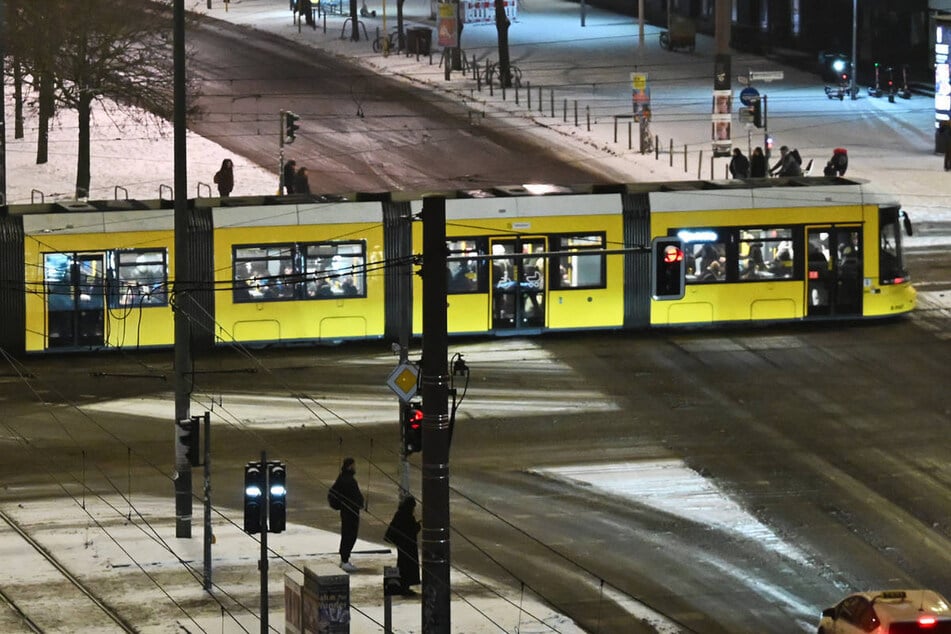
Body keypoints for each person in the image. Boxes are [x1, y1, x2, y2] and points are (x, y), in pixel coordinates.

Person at [329, 457, 365, 572]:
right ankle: (345, 560)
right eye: (354, 465)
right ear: (350, 466)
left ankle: (344, 559)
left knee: (347, 534)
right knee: (350, 535)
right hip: (350, 512)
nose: (355, 468)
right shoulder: (349, 480)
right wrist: (359, 504)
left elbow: (333, 493)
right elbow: (355, 496)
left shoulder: (342, 478)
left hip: (346, 511)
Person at [384, 495, 421, 596]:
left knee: (403, 565)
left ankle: (404, 586)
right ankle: (405, 587)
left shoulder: (400, 514)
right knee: (407, 567)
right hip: (407, 546)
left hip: (402, 545)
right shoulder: (407, 516)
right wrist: (418, 526)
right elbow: (410, 531)